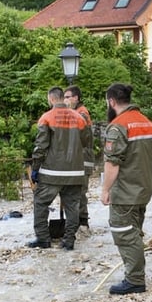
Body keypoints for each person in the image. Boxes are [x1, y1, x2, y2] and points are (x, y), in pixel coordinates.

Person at [100, 83, 152, 295]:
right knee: (135, 232)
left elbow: (112, 163)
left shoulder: (117, 126)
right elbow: (151, 156)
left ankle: (134, 280)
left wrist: (105, 190)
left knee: (124, 233)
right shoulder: (147, 123)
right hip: (144, 188)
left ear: (111, 101)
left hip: (125, 191)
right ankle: (135, 274)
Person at [28, 86, 91, 250]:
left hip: (51, 172)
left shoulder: (46, 117)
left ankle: (43, 238)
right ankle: (69, 240)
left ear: (51, 98)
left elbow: (41, 146)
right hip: (75, 172)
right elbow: (86, 142)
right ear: (63, 98)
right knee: (72, 207)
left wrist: (35, 168)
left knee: (41, 203)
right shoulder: (79, 117)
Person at [64, 85, 94, 231]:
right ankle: (75, 221)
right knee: (73, 191)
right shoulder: (75, 111)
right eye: (64, 97)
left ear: (76, 98)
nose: (65, 100)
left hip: (83, 159)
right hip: (76, 159)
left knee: (80, 191)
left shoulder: (82, 113)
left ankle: (83, 221)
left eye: (67, 97)